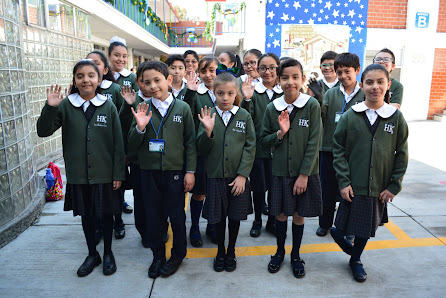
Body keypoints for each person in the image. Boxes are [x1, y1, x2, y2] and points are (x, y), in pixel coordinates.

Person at [36, 60, 125, 277]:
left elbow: (117, 143)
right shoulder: (66, 105)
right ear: (74, 80)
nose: (86, 79)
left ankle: (108, 254)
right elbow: (43, 131)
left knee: (106, 215)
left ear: (99, 79)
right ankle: (92, 253)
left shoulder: (108, 105)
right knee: (86, 216)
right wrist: (51, 107)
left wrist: (118, 173)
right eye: (80, 76)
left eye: (90, 75)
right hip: (79, 175)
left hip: (105, 174)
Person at [331, 63, 409, 282]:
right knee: (339, 229)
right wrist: (343, 181)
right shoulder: (351, 115)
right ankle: (352, 252)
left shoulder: (395, 117)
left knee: (364, 227)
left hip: (378, 185)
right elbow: (338, 149)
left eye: (380, 82)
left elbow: (402, 152)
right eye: (370, 82)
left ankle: (355, 260)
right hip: (353, 184)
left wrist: (394, 185)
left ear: (388, 85)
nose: (375, 87)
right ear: (362, 85)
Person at [128, 61, 196, 278]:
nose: (153, 86)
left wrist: (190, 171)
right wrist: (139, 128)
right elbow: (130, 145)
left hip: (175, 172)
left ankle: (178, 254)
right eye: (147, 82)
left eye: (157, 80)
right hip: (148, 172)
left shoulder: (183, 108)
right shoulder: (142, 108)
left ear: (168, 80)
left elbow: (190, 143)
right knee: (154, 216)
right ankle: (158, 256)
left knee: (176, 216)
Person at [260, 58, 322, 278]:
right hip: (280, 173)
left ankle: (295, 255)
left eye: (295, 77)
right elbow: (263, 140)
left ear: (303, 79)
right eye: (285, 78)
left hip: (304, 174)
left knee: (298, 214)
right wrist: (280, 133)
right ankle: (279, 252)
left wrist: (304, 174)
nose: (290, 82)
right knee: (280, 215)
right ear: (278, 80)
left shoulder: (311, 105)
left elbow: (315, 143)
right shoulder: (272, 108)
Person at [197, 72, 256, 272]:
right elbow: (201, 149)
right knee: (219, 217)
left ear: (236, 93)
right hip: (215, 177)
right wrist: (208, 132)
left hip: (237, 177)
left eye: (230, 93)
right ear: (213, 93)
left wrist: (242, 175)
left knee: (235, 216)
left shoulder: (244, 116)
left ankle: (231, 250)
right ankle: (220, 250)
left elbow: (250, 146)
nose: (225, 98)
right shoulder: (208, 115)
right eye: (220, 93)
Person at [316, 52, 364, 238]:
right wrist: (319, 100)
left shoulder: (364, 94)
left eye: (347, 71)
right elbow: (322, 116)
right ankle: (324, 223)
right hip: (329, 149)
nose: (343, 76)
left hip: (353, 153)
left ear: (357, 71)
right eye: (340, 72)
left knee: (350, 192)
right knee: (326, 191)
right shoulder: (331, 93)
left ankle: (348, 227)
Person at [86, 50, 127, 244]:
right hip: (92, 152)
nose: (92, 66)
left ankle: (118, 221)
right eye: (88, 62)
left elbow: (123, 121)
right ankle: (98, 226)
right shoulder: (79, 91)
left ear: (105, 68)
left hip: (111, 149)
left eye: (96, 63)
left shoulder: (115, 89)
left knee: (114, 190)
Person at [241, 53, 283, 238]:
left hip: (279, 150)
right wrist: (247, 99)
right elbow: (245, 117)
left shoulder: (284, 92)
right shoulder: (253, 92)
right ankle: (257, 220)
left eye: (272, 67)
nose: (268, 72)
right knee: (258, 188)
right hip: (259, 149)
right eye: (263, 68)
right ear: (258, 70)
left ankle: (272, 221)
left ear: (278, 68)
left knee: (275, 189)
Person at [189, 56, 220, 247]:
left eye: (212, 70)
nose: (208, 75)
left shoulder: (225, 91)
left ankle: (212, 225)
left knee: (215, 192)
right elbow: (188, 120)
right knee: (199, 193)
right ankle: (194, 228)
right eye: (204, 71)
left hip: (220, 152)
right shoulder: (196, 93)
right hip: (201, 151)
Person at [107, 36, 136, 233]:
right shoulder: (103, 77)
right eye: (116, 55)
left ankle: (122, 202)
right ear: (109, 56)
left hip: (126, 132)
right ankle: (115, 211)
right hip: (105, 137)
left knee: (123, 173)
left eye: (124, 56)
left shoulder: (130, 78)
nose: (121, 59)